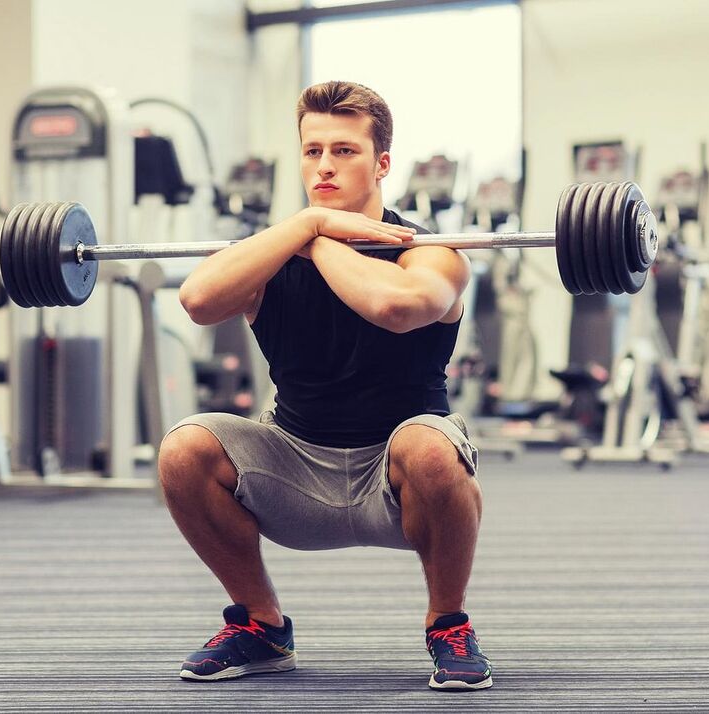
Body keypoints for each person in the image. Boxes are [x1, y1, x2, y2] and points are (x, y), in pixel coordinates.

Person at [160, 80, 490, 691]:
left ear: (382, 162)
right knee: (184, 448)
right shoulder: (279, 250)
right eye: (313, 152)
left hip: (398, 478)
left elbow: (396, 306)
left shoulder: (432, 252)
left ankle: (448, 623)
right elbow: (198, 299)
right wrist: (311, 224)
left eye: (344, 151)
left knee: (431, 445)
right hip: (295, 466)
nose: (325, 165)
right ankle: (261, 626)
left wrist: (314, 238)